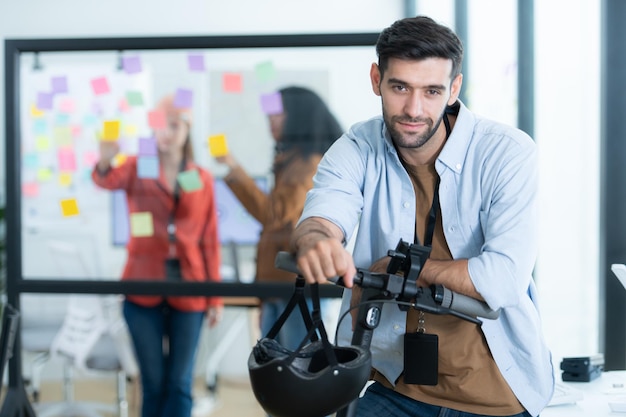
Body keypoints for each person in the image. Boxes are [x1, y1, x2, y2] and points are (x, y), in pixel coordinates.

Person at [290, 16, 554, 417]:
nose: (414, 109)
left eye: (431, 91)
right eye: (400, 88)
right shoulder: (357, 146)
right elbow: (324, 211)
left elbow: (502, 279)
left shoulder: (507, 153)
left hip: (496, 394)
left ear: (454, 89)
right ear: (377, 79)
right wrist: (317, 239)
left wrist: (399, 269)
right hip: (397, 385)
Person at [92, 94, 223, 417]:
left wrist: (215, 295)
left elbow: (209, 239)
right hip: (142, 289)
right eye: (161, 125)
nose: (166, 132)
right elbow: (105, 179)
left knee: (179, 381)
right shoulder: (138, 167)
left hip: (190, 289)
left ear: (186, 129)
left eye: (174, 125)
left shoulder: (200, 177)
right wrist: (106, 159)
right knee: (153, 381)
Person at [214, 86, 343, 350]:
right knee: (277, 368)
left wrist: (233, 167)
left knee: (293, 372)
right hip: (280, 285)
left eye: (277, 114)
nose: (270, 121)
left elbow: (271, 216)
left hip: (295, 286)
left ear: (297, 117)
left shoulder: (309, 166)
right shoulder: (290, 162)